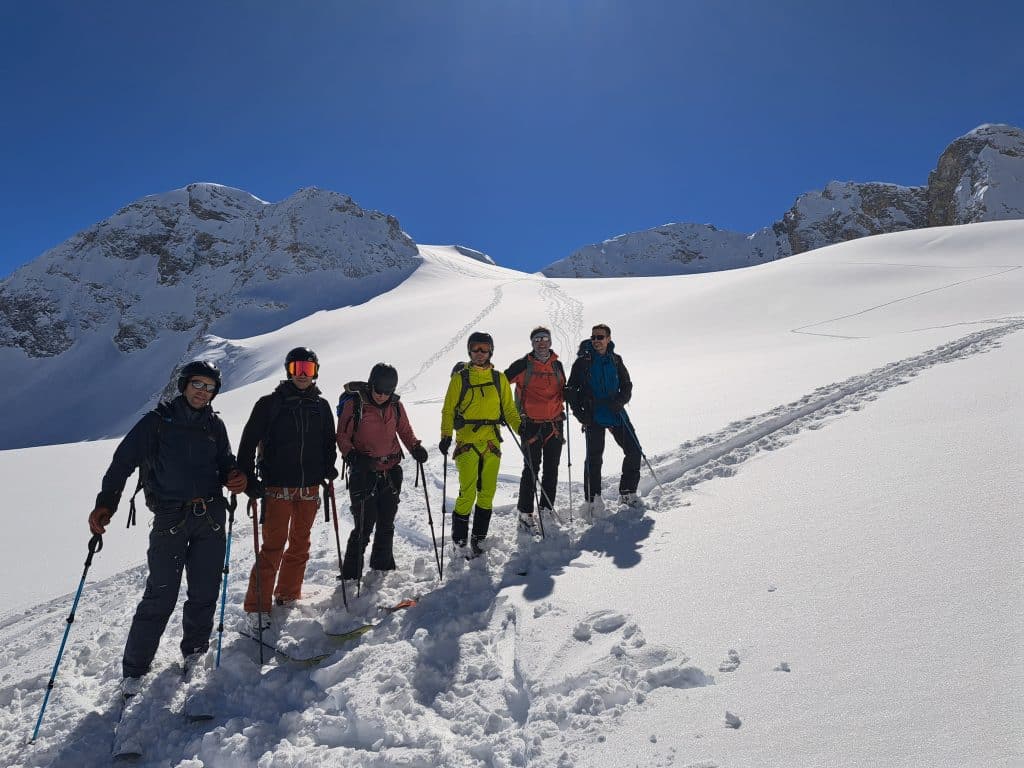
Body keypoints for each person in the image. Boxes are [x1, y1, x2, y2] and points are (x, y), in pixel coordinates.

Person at [88, 360, 247, 695]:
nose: (203, 392)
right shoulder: (156, 424)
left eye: (209, 387)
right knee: (160, 595)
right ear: (184, 385)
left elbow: (225, 464)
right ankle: (134, 671)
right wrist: (107, 503)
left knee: (204, 590)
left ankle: (195, 652)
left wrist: (234, 477)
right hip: (170, 520)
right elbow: (122, 463)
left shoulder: (214, 426)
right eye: (197, 385)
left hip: (210, 517)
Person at [236, 347, 338, 630]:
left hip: (309, 489)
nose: (302, 375)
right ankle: (257, 607)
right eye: (297, 369)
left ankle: (288, 594)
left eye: (307, 369)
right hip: (276, 489)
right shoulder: (269, 404)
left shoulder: (321, 406)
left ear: (315, 372)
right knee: (272, 547)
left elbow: (328, 441)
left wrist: (329, 466)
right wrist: (248, 479)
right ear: (288, 371)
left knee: (300, 544)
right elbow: (247, 443)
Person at [336, 363, 427, 580]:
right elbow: (342, 436)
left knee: (386, 522)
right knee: (364, 525)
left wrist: (415, 447)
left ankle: (382, 566)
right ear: (371, 384)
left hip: (391, 471)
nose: (382, 395)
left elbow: (404, 430)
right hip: (363, 472)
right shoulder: (355, 405)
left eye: (388, 391)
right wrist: (352, 456)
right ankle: (351, 575)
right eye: (379, 390)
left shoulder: (395, 406)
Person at [439, 332, 521, 555]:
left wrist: (521, 428)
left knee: (487, 492)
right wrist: (446, 435)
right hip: (467, 442)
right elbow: (448, 409)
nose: (479, 353)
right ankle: (459, 541)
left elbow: (509, 410)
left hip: (491, 442)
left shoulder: (498, 378)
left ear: (490, 351)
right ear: (469, 351)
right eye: (475, 349)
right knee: (467, 493)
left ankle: (479, 539)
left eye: (484, 349)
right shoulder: (460, 378)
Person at [565, 324, 641, 513]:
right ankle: (592, 500)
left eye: (600, 337)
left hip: (615, 411)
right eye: (594, 337)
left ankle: (627, 492)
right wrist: (580, 413)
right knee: (594, 458)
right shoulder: (583, 362)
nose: (596, 341)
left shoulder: (615, 359)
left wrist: (621, 401)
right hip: (593, 414)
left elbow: (627, 384)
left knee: (634, 450)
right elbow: (571, 391)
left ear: (608, 339)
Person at [504, 326, 566, 530]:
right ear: (532, 342)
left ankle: (546, 509)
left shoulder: (557, 365)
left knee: (551, 470)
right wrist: (504, 411)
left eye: (545, 338)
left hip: (554, 425)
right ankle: (525, 513)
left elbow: (562, 391)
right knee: (531, 470)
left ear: (550, 341)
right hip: (530, 426)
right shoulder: (523, 365)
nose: (541, 342)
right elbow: (501, 385)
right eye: (537, 339)